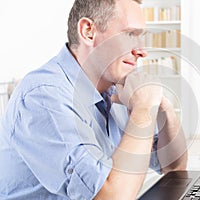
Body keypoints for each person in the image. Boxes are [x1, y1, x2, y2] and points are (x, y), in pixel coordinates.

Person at [0, 0, 187, 199]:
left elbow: (175, 167)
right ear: (88, 31)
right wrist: (143, 110)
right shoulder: (43, 97)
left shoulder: (115, 89)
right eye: (129, 34)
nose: (142, 50)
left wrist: (163, 106)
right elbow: (111, 197)